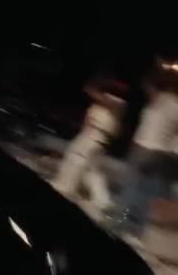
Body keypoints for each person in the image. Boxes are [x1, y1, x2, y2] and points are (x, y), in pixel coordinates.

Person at [107, 60, 178, 241]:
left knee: (130, 187)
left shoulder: (161, 98)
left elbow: (147, 83)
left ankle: (119, 223)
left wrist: (160, 69)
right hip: (161, 153)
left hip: (144, 147)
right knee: (146, 194)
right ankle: (137, 231)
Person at [52, 77, 127, 213]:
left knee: (77, 160)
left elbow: (100, 97)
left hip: (96, 135)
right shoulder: (109, 101)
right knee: (90, 168)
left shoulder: (118, 102)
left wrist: (93, 89)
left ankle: (65, 186)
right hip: (91, 133)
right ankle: (102, 200)